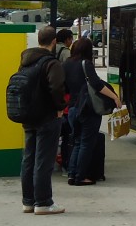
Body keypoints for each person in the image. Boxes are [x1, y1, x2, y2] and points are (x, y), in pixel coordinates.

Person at [18, 26, 68, 215]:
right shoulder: (51, 63)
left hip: (28, 115)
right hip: (47, 117)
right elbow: (57, 88)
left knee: (28, 158)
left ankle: (28, 201)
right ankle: (44, 202)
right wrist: (60, 107)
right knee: (44, 160)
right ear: (54, 42)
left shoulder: (25, 61)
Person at [63, 35, 121, 186]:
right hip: (87, 109)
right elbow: (97, 85)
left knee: (76, 142)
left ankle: (72, 174)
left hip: (72, 109)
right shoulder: (86, 64)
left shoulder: (66, 64)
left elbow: (64, 87)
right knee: (86, 143)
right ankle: (80, 177)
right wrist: (115, 97)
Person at [54, 29, 75, 171]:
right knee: (67, 133)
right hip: (64, 94)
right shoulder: (66, 52)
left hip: (53, 92)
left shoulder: (51, 49)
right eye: (71, 39)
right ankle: (65, 161)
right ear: (67, 39)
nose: (71, 42)